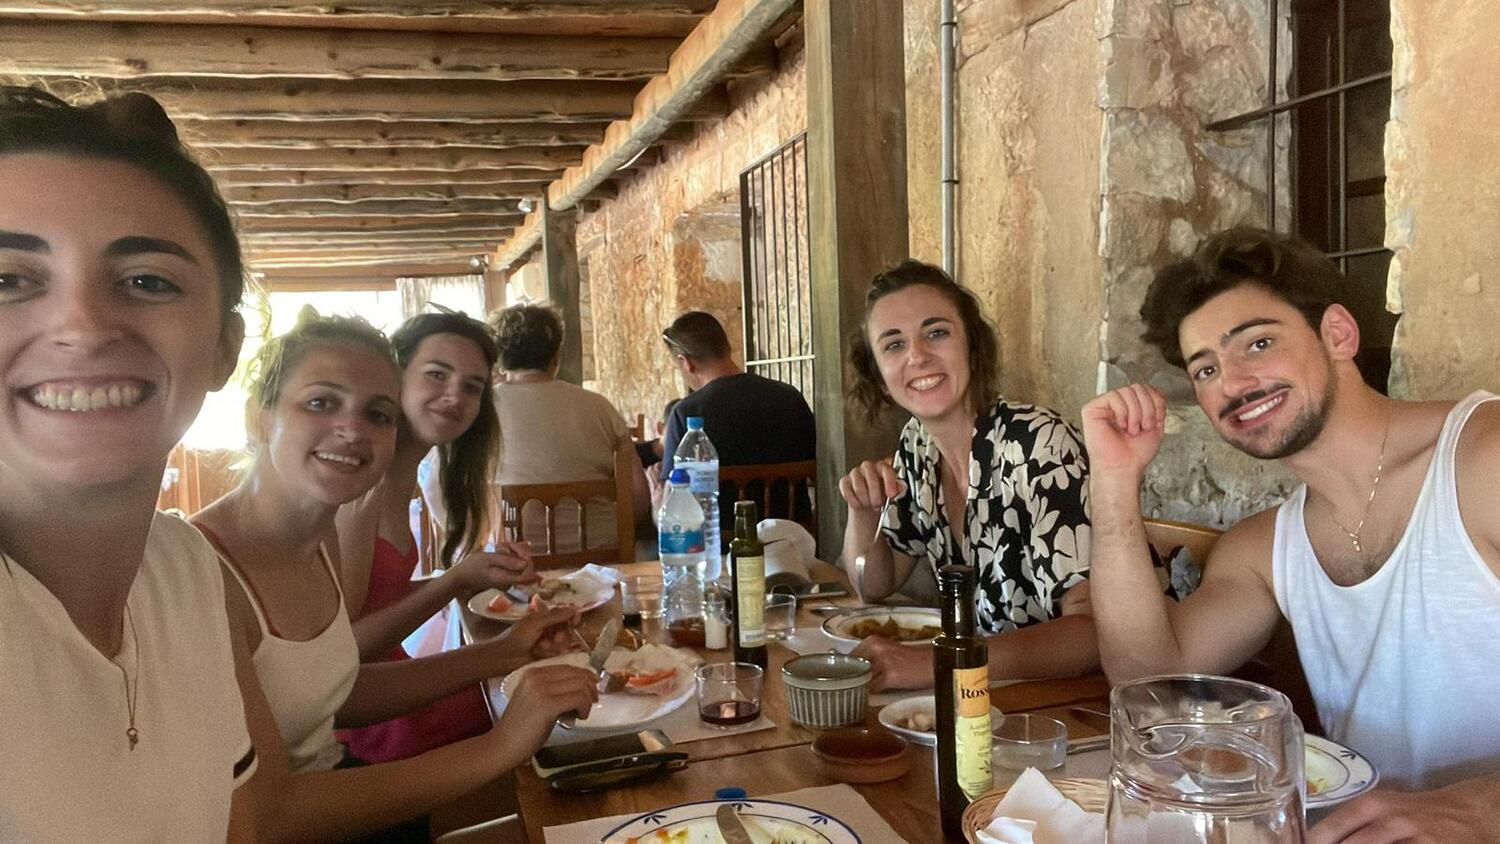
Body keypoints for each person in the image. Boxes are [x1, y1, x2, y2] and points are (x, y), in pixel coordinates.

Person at [1082, 227, 1500, 842]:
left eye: (1258, 342)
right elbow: (1147, 682)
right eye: (1205, 368)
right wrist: (1115, 480)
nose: (1231, 383)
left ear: (1338, 334)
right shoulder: (1263, 548)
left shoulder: (1484, 459)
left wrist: (1483, 809)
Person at [193, 312, 598, 842]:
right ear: (259, 417)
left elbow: (334, 687)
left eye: (378, 414)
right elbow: (269, 815)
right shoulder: (201, 573)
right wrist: (501, 744)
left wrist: (505, 652)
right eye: (320, 402)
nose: (353, 429)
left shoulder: (317, 537)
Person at [0, 86, 258, 840]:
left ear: (225, 348)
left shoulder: (185, 568)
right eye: (6, 280)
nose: (82, 326)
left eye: (148, 281)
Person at [838, 260, 1096, 692]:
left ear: (973, 347)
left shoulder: (1038, 444)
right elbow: (875, 586)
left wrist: (941, 662)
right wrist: (862, 511)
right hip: (990, 694)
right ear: (880, 378)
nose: (917, 355)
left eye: (937, 333)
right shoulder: (917, 445)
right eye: (894, 344)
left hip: (1080, 699)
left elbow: (1092, 633)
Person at [334, 311, 530, 764]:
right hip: (367, 722)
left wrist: (474, 575)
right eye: (437, 375)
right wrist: (454, 581)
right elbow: (337, 651)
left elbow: (375, 598)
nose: (454, 395)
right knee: (543, 703)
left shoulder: (401, 474)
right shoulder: (360, 485)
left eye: (472, 387)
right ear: (395, 375)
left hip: (396, 689)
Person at [489, 302, 650, 542]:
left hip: (512, 556)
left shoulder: (481, 409)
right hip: (603, 555)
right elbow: (638, 496)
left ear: (499, 357)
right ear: (556, 355)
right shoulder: (600, 407)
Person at [656, 311, 818, 530]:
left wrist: (655, 502)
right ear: (726, 348)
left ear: (686, 363)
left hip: (717, 545)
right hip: (793, 538)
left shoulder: (687, 414)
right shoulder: (791, 397)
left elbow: (672, 512)